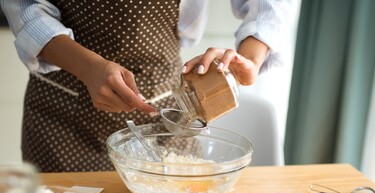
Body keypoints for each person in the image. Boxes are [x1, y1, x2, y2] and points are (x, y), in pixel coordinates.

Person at [1, 0, 292, 172]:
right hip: (61, 116)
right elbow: (24, 7)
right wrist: (89, 68)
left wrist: (251, 59)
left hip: (173, 115)